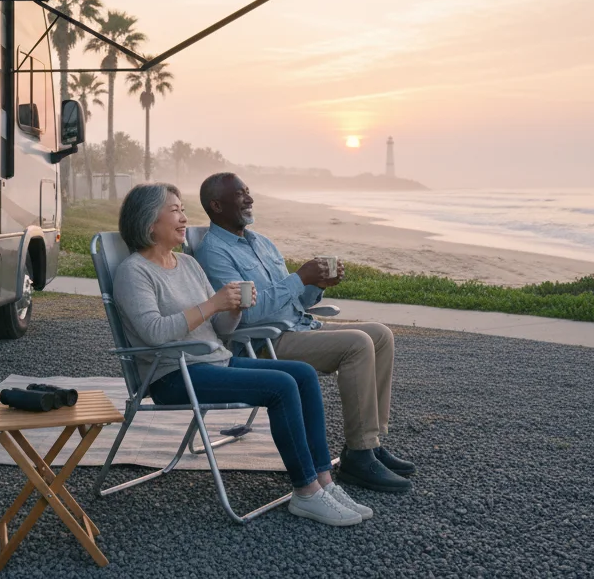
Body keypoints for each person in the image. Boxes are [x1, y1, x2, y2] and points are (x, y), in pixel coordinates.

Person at [113, 182, 371, 526]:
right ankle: (306, 492)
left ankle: (324, 481)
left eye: (182, 209)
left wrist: (232, 309)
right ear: (148, 223)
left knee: (303, 375)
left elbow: (220, 329)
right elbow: (154, 333)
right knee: (280, 386)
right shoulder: (134, 272)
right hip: (173, 375)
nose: (184, 217)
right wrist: (213, 303)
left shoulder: (187, 265)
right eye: (174, 210)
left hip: (213, 362)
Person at [195, 173, 415, 493]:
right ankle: (359, 455)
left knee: (380, 334)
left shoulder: (262, 243)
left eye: (249, 192)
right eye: (241, 194)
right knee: (357, 343)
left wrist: (315, 285)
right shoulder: (213, 252)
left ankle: (371, 442)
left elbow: (294, 300)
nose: (250, 199)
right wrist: (300, 277)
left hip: (298, 327)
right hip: (262, 343)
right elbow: (247, 312)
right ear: (216, 205)